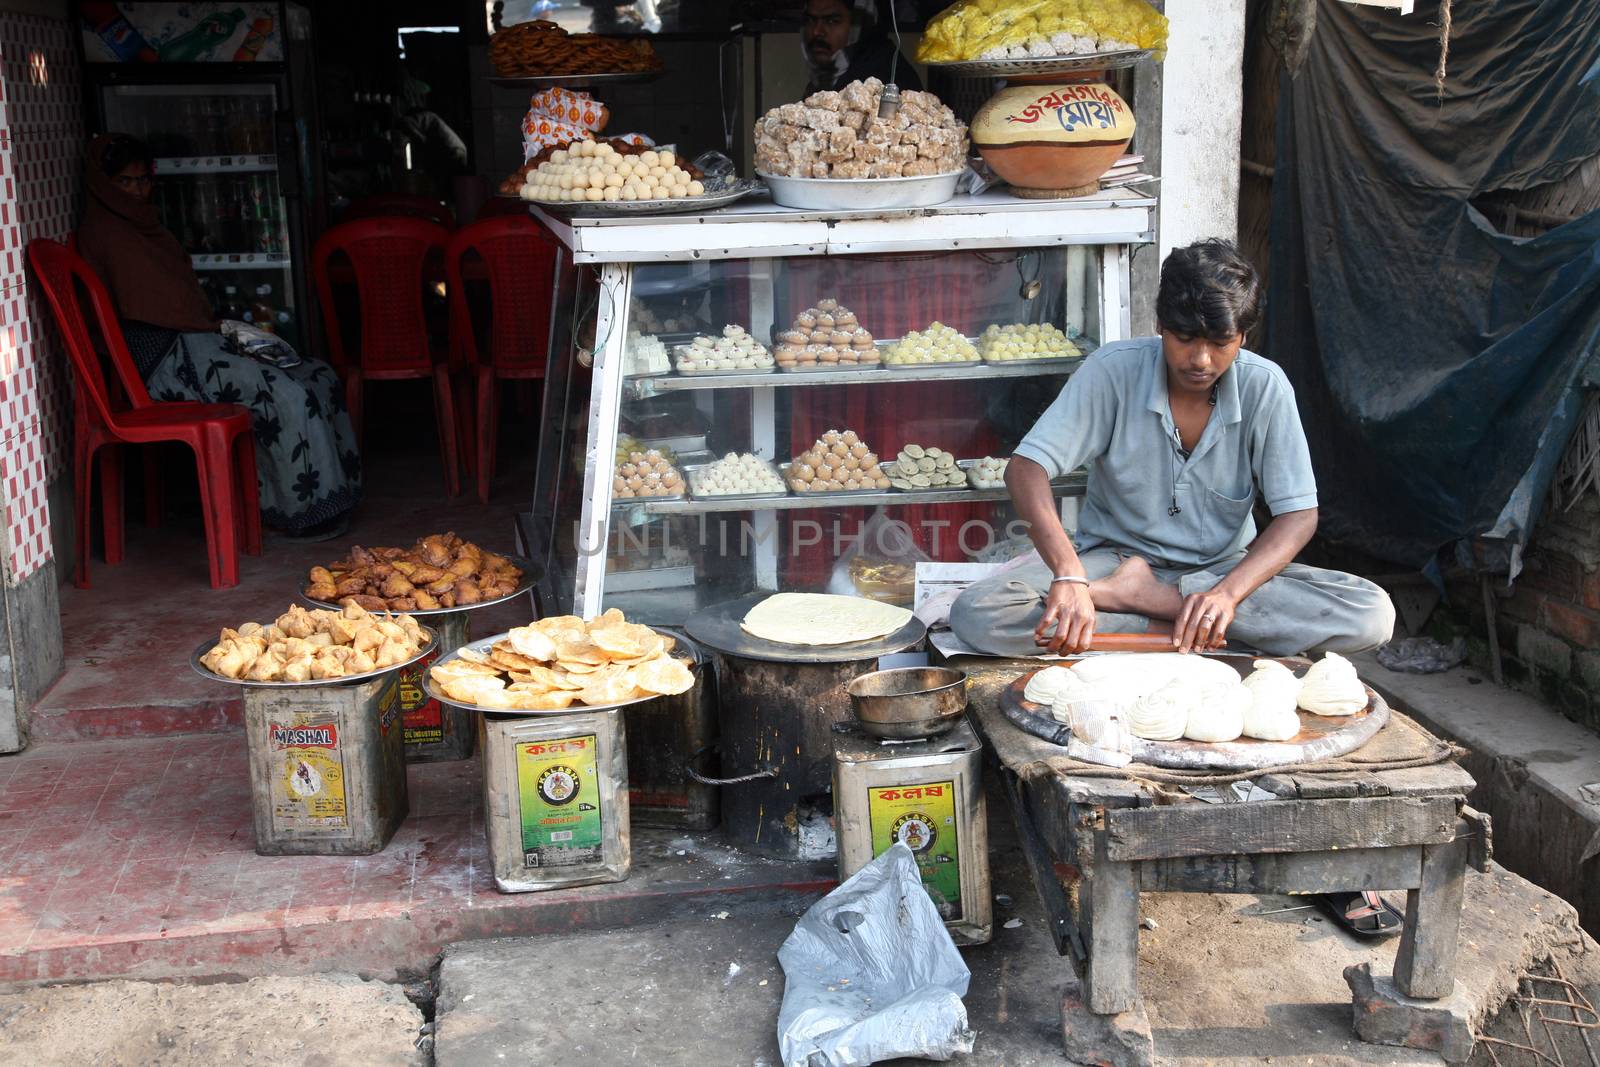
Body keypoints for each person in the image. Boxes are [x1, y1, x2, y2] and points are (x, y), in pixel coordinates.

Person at [949, 238, 1401, 936]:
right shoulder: (1113, 371)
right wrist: (1070, 574)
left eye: (1218, 342)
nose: (1199, 359)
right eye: (1184, 338)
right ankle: (1167, 621)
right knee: (978, 614)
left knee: (1371, 613)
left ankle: (1155, 611)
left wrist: (1225, 593)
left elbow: (1298, 515)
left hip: (1221, 581)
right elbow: (1026, 471)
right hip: (1107, 563)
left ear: (1241, 336)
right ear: (1160, 326)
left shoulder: (1266, 386)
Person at [77, 133, 361, 539]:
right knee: (282, 391)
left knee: (316, 375)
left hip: (194, 344)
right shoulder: (104, 233)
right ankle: (301, 512)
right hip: (163, 364)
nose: (137, 190)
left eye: (143, 180)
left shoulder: (144, 226)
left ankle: (335, 497)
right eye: (125, 181)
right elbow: (140, 313)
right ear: (103, 183)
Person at [802, 0, 922, 95]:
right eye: (810, 20)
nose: (817, 32)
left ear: (860, 22)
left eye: (832, 21)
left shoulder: (888, 78)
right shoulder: (826, 75)